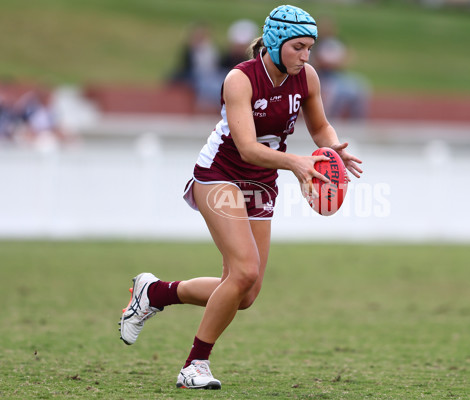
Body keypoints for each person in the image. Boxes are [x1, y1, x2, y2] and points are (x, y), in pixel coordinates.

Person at [119, 4, 363, 390]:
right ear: (276, 41)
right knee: (244, 271)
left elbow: (319, 126)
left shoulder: (308, 77)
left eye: (310, 48)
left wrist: (335, 149)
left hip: (262, 180)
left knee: (245, 292)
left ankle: (155, 292)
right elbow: (247, 148)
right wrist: (297, 164)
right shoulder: (240, 79)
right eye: (298, 47)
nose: (306, 56)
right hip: (219, 175)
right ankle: (194, 365)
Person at [311, 16, 370, 120]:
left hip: (338, 76)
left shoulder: (339, 42)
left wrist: (338, 63)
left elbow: (349, 58)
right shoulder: (314, 43)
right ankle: (330, 120)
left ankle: (358, 121)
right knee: (332, 91)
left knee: (361, 84)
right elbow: (312, 64)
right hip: (321, 78)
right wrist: (323, 63)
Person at [166, 23, 223, 108]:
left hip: (211, 74)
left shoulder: (212, 49)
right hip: (196, 75)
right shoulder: (189, 50)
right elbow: (186, 66)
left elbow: (216, 64)